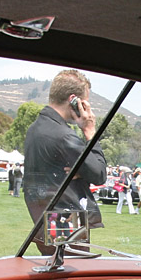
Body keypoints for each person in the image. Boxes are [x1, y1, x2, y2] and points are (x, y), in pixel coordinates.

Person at [22, 69, 107, 249]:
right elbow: (99, 174)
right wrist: (90, 131)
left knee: (56, 269)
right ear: (73, 100)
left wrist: (78, 172)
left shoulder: (35, 129)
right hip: (64, 219)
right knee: (71, 272)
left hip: (43, 218)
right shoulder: (63, 136)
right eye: (84, 102)